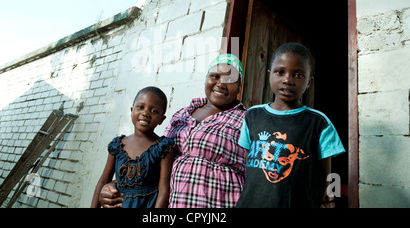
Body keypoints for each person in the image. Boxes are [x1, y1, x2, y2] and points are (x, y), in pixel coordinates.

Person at [98, 54, 247, 208]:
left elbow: (256, 174)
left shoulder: (248, 120)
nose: (221, 84)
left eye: (230, 80)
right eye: (215, 76)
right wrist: (115, 186)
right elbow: (153, 161)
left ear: (239, 86)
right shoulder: (182, 114)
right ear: (206, 78)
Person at [236, 42, 345, 208]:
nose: (288, 80)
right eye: (280, 72)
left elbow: (326, 174)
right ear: (269, 74)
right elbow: (248, 164)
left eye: (299, 75)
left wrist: (325, 200)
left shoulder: (318, 122)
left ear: (309, 82)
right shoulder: (252, 115)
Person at [90, 86, 175, 208]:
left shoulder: (163, 148)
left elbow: (164, 191)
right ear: (131, 111)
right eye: (140, 107)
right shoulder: (118, 145)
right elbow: (103, 181)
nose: (145, 113)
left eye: (154, 111)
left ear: (161, 119)